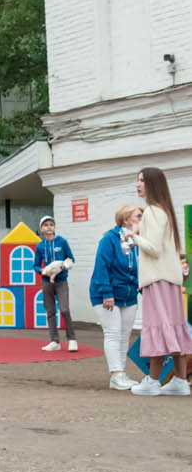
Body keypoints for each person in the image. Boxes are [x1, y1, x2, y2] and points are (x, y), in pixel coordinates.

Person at [131, 166, 192, 397]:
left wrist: (134, 237)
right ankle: (179, 380)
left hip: (157, 279)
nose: (138, 185)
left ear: (152, 185)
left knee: (157, 327)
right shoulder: (164, 211)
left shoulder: (152, 212)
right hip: (170, 279)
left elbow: (153, 248)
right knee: (173, 327)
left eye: (142, 181)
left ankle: (153, 381)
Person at [89, 203, 140, 391]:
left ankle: (121, 373)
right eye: (138, 216)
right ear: (126, 220)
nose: (141, 220)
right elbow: (102, 266)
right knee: (113, 332)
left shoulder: (135, 241)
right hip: (106, 294)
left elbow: (137, 267)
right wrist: (106, 293)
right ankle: (116, 375)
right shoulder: (109, 239)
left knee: (125, 335)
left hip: (128, 294)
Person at [34, 215, 78, 353]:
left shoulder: (62, 242)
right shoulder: (40, 246)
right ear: (41, 229)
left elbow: (71, 259)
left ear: (54, 227)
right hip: (47, 283)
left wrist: (62, 268)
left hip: (61, 281)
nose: (49, 227)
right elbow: (35, 265)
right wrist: (43, 271)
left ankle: (72, 339)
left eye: (51, 224)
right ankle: (54, 341)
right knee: (50, 312)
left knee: (64, 309)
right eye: (46, 225)